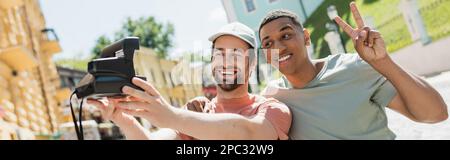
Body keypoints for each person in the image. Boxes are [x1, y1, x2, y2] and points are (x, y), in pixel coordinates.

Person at [256, 2, 448, 139]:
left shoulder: (353, 68)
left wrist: (383, 62)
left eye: (286, 35)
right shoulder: (271, 99)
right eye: (268, 43)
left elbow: (436, 114)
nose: (278, 47)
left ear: (306, 37)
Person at [88, 22, 292, 140]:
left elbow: (248, 133)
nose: (226, 62)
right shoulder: (196, 110)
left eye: (237, 55)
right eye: (219, 54)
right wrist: (123, 119)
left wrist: (171, 116)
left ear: (253, 64)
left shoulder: (272, 109)